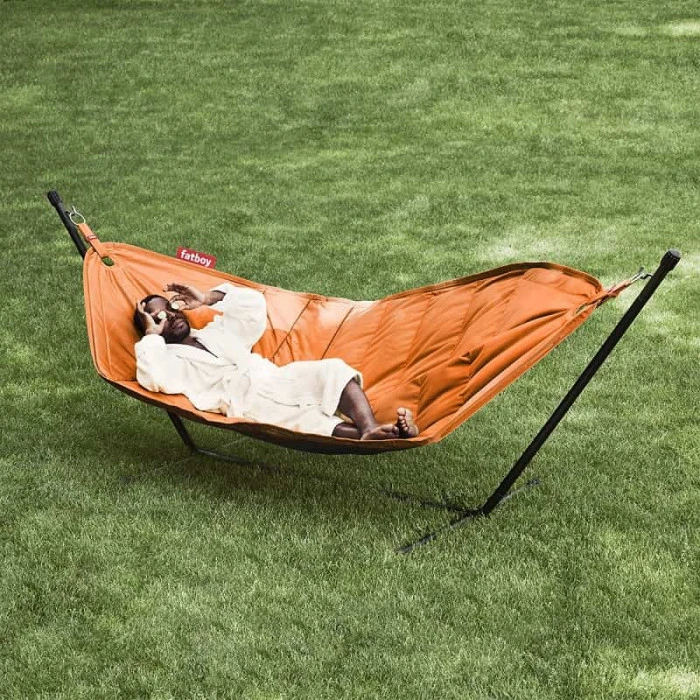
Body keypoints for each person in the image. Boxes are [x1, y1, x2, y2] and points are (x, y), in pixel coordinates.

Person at [134, 282, 419, 441]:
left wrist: (208, 297)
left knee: (332, 370)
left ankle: (370, 427)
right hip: (248, 402)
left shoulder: (216, 332)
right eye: (160, 317)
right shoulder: (167, 359)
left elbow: (253, 306)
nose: (171, 316)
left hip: (274, 377)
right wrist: (151, 335)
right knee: (309, 423)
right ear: (152, 327)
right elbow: (152, 377)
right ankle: (385, 435)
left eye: (171, 307)